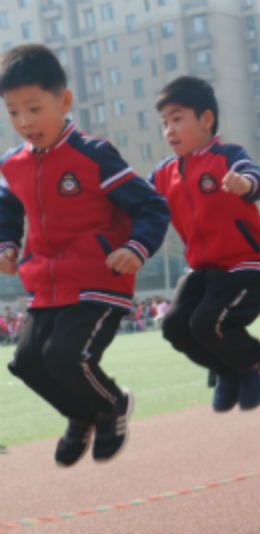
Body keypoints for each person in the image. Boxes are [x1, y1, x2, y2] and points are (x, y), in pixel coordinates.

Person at [0, 44, 169, 466]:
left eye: (34, 109)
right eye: (13, 112)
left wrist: (136, 247)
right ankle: (80, 416)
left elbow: (151, 206)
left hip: (98, 279)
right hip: (46, 285)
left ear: (64, 101)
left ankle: (112, 405)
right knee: (27, 364)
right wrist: (6, 244)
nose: (25, 122)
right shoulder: (13, 165)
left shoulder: (93, 155)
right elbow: (7, 211)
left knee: (65, 357)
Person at [151, 76, 260, 412]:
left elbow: (256, 176)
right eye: (165, 123)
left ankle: (256, 362)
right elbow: (139, 202)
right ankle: (226, 371)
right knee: (175, 326)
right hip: (205, 270)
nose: (169, 131)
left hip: (248, 265)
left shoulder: (226, 156)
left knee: (207, 323)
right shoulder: (164, 174)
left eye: (177, 119)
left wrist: (245, 183)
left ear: (206, 119)